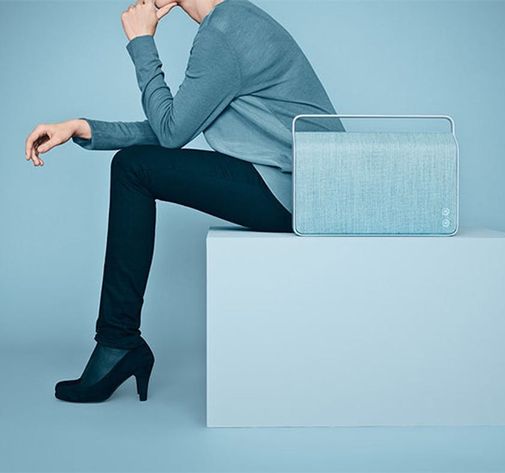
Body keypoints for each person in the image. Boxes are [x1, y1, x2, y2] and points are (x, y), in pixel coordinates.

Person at [24, 0, 344, 403]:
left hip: (299, 192)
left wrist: (142, 43)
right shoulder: (232, 21)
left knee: (133, 169)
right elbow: (176, 124)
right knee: (135, 166)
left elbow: (171, 132)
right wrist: (83, 128)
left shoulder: (224, 32)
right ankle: (118, 343)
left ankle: (118, 343)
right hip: (294, 184)